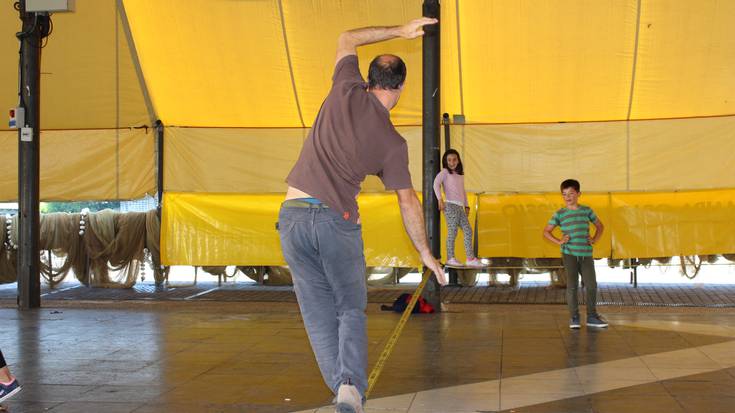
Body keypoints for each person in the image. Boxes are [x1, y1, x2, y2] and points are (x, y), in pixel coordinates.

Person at [277, 17, 447, 413]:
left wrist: (401, 30)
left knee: (317, 313)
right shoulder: (392, 143)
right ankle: (349, 387)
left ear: (367, 78)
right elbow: (407, 202)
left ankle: (342, 388)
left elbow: (347, 36)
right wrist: (424, 252)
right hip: (335, 223)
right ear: (401, 88)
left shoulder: (344, 89)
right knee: (349, 307)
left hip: (291, 217)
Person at [543, 179, 607, 329]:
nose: (568, 197)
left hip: (585, 254)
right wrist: (559, 241)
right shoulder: (560, 214)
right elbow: (546, 231)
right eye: (564, 194)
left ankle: (592, 316)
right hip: (569, 254)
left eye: (571, 193)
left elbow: (600, 226)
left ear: (578, 194)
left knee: (591, 285)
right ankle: (574, 317)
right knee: (572, 286)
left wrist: (594, 239)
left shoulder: (586, 210)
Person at [433, 149, 483, 268]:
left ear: (458, 160)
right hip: (450, 205)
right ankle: (450, 258)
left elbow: (462, 191)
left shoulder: (459, 175)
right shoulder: (445, 172)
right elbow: (435, 183)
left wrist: (466, 205)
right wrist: (440, 199)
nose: (452, 162)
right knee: (453, 231)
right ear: (445, 161)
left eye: (454, 159)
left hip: (459, 207)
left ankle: (470, 258)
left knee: (468, 230)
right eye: (449, 160)